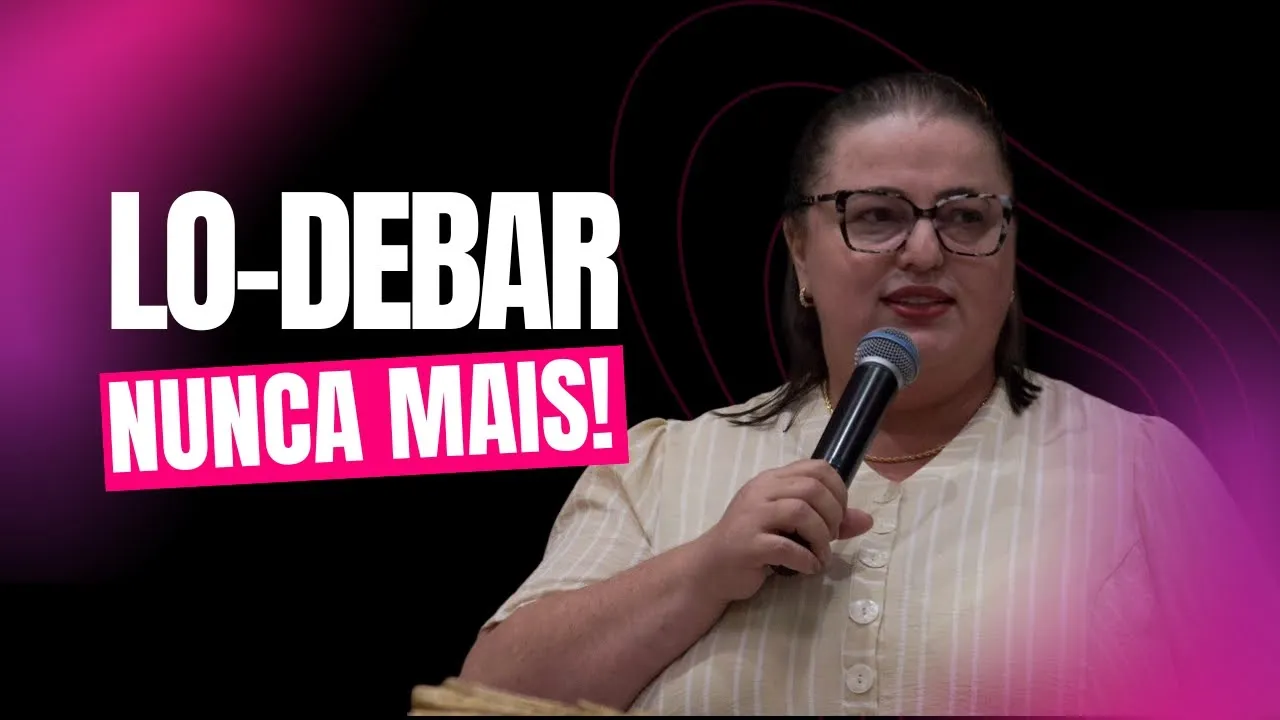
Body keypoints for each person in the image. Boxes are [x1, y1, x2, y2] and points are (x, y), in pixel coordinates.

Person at [457, 72, 1280, 716]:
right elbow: (485, 698)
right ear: (800, 252)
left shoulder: (1141, 470)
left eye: (965, 218)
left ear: (1009, 251)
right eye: (877, 214)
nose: (923, 252)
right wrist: (702, 571)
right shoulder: (661, 465)